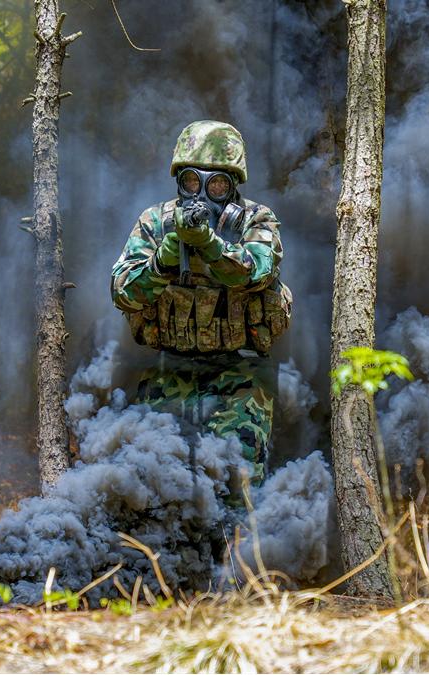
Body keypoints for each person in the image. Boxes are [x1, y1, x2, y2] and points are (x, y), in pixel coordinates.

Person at [110, 120, 291, 486]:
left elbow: (256, 272)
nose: (203, 193)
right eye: (192, 181)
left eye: (217, 183)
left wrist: (209, 246)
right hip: (169, 371)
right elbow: (122, 291)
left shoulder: (256, 219)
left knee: (234, 485)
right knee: (151, 484)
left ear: (234, 184)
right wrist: (164, 260)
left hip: (239, 376)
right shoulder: (156, 223)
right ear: (179, 181)